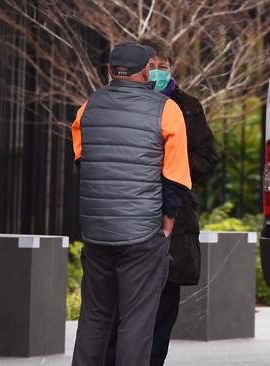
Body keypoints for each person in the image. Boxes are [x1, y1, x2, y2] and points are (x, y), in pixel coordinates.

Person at [70, 41, 192, 366]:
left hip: (97, 233)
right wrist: (168, 222)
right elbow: (176, 175)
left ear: (110, 71)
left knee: (95, 316)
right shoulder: (167, 110)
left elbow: (83, 160)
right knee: (137, 321)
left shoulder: (88, 107)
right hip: (143, 232)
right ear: (147, 71)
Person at [104, 35, 217, 366]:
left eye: (162, 66)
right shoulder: (118, 103)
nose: (156, 72)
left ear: (172, 68)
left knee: (163, 311)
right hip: (128, 217)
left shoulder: (188, 106)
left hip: (174, 221)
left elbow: (207, 157)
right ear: (139, 69)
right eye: (150, 66)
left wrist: (168, 166)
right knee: (120, 310)